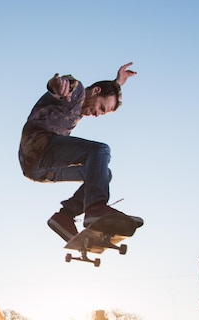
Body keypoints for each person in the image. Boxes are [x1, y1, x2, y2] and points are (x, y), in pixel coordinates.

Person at [18, 62, 144, 241]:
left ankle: (64, 216)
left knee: (102, 173)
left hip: (40, 170)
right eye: (101, 107)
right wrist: (58, 85)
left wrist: (117, 83)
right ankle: (96, 208)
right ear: (95, 91)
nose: (98, 114)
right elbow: (64, 85)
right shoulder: (77, 94)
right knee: (100, 151)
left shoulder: (78, 111)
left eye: (103, 113)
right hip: (40, 149)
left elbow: (104, 90)